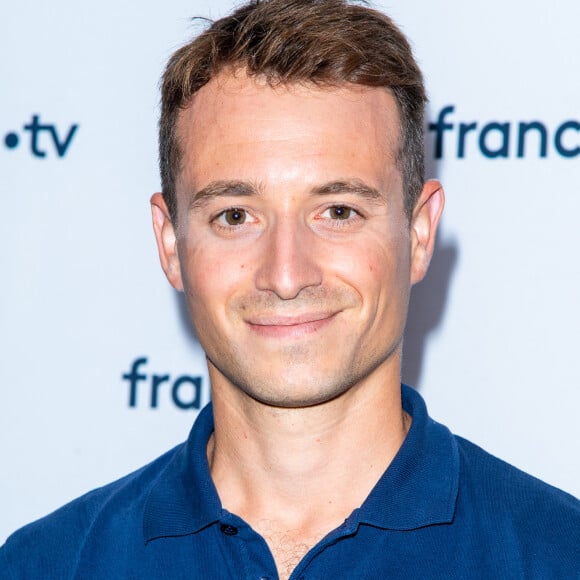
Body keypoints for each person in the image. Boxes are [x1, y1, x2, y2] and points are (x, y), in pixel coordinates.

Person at [1, 0, 579, 578]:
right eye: (235, 216)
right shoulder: (44, 564)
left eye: (338, 211)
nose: (285, 274)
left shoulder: (558, 555)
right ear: (171, 244)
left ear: (420, 232)